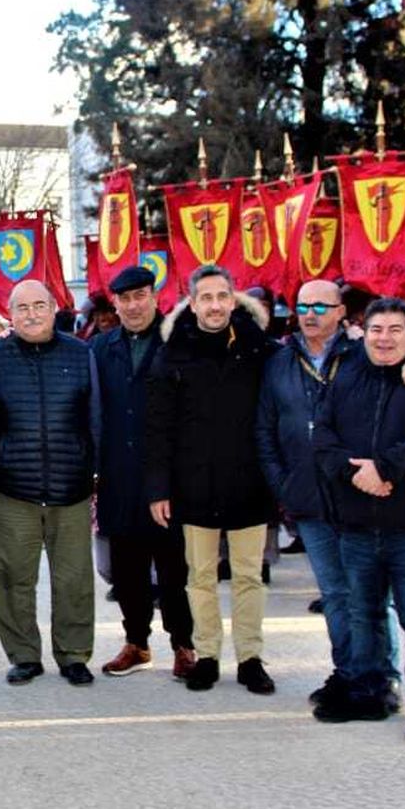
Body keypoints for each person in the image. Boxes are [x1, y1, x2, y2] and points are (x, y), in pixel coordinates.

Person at [256, 278, 405, 711]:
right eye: (303, 306)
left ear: (342, 311)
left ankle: (382, 676)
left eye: (321, 307)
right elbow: (266, 429)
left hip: (356, 493)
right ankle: (349, 672)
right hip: (307, 496)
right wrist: (282, 483)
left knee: (367, 593)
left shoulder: (364, 354)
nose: (310, 314)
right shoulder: (280, 360)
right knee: (335, 595)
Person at [312, 298, 405, 741]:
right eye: (376, 329)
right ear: (363, 331)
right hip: (357, 525)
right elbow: (323, 433)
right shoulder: (346, 376)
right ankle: (372, 693)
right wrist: (355, 474)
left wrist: (385, 469)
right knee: (365, 614)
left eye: (396, 329)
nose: (385, 338)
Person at [144, 264, 279, 694]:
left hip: (248, 481)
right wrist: (159, 487)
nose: (215, 305)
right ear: (193, 302)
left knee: (247, 576)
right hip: (193, 483)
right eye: (206, 297)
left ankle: (251, 658)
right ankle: (206, 656)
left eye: (223, 296)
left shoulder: (260, 347)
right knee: (199, 576)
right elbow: (158, 425)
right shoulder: (173, 352)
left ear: (233, 298)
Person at [0, 279, 101, 686]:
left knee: (73, 578)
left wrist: (94, 468)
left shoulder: (81, 354)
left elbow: (95, 416)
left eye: (39, 306)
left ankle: (73, 654)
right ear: (9, 314)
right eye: (21, 308)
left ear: (54, 308)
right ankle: (24, 654)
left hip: (71, 488)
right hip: (10, 490)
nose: (31, 314)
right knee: (12, 576)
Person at [91, 265, 194, 679]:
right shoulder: (99, 348)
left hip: (167, 476)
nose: (133, 305)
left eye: (140, 296)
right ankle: (136, 642)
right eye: (125, 298)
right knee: (127, 568)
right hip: (117, 474)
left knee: (173, 568)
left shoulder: (177, 343)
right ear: (114, 303)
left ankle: (183, 644)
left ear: (155, 296)